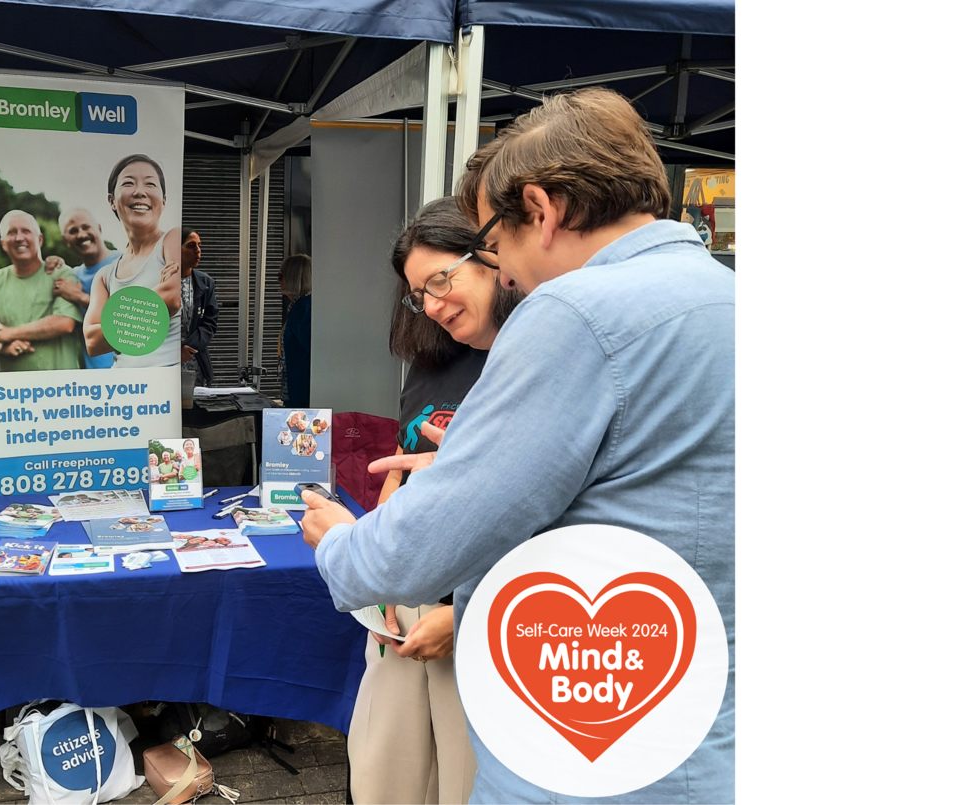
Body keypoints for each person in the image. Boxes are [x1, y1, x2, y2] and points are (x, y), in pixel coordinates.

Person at [300, 87, 735, 804]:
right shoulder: (727, 297)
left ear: (542, 208)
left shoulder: (572, 311)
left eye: (494, 246)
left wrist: (340, 542)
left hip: (577, 746)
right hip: (692, 734)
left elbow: (420, 550)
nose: (503, 273)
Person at [348, 197, 520, 805]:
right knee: (382, 779)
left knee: (465, 785)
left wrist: (465, 616)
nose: (434, 304)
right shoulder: (429, 361)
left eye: (442, 279)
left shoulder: (529, 361)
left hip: (483, 619)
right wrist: (383, 577)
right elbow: (402, 483)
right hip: (402, 611)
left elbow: (542, 509)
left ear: (494, 257)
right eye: (419, 292)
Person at [83, 154, 181, 367]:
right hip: (123, 389)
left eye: (150, 184)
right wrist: (148, 310)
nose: (139, 192)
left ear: (163, 201)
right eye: (128, 183)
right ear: (112, 201)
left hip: (163, 386)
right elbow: (92, 342)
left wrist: (112, 321)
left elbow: (171, 300)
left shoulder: (173, 239)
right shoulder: (105, 275)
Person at [0, 210, 83, 371]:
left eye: (26, 231)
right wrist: (3, 349)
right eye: (12, 232)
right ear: (3, 243)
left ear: (40, 239)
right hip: (12, 391)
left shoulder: (61, 273)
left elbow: (64, 323)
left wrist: (10, 333)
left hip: (62, 389)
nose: (19, 238)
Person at [48, 208, 119, 369]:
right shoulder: (72, 276)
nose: (81, 235)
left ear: (99, 229)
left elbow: (129, 319)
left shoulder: (124, 263)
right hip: (92, 379)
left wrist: (80, 297)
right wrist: (51, 264)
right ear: (66, 240)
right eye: (73, 231)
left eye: (86, 227)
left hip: (128, 373)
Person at [178, 229, 220, 385]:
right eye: (190, 245)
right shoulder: (159, 281)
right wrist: (174, 353)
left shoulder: (205, 283)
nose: (198, 250)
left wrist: (188, 347)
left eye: (199, 245)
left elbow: (209, 324)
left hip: (195, 363)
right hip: (164, 364)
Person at [278, 255, 311, 406]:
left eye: (280, 276)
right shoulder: (300, 307)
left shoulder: (303, 309)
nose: (279, 281)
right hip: (298, 392)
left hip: (301, 395)